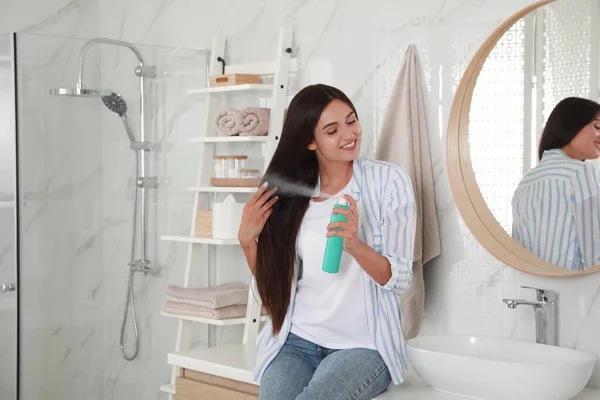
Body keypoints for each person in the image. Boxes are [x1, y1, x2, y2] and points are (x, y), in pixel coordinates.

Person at [237, 83, 417, 400]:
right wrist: (247, 240)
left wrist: (356, 246)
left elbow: (401, 278)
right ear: (309, 141)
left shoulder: (389, 182)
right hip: (296, 341)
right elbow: (273, 286)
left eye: (351, 120)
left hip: (363, 346)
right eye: (332, 130)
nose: (349, 134)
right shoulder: (292, 196)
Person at [512, 97, 600, 270]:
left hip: (532, 289)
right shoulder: (581, 172)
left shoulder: (527, 180)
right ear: (571, 124)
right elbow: (594, 256)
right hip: (576, 291)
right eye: (597, 127)